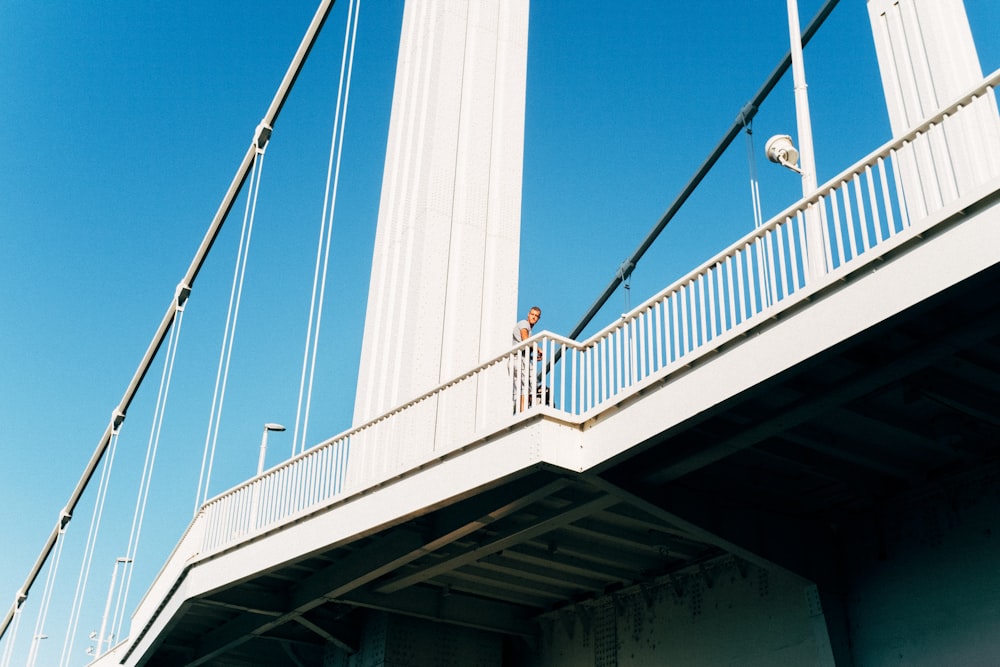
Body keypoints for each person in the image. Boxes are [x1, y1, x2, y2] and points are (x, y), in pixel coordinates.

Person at [512, 306, 542, 412]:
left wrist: (533, 356)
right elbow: (525, 339)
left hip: (521, 359)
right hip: (518, 360)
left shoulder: (529, 330)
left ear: (538, 319)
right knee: (525, 387)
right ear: (528, 314)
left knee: (524, 387)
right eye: (532, 314)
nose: (534, 317)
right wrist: (537, 349)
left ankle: (524, 409)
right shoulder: (524, 324)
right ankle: (523, 411)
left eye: (536, 316)